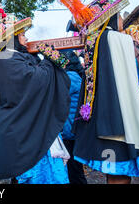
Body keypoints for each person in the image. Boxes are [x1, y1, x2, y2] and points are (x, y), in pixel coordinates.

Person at [55, 0, 139, 184]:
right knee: (121, 171)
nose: (123, 20)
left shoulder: (92, 42)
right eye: (119, 15)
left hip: (99, 117)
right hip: (120, 117)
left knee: (113, 169)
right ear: (112, 18)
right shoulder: (119, 40)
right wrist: (135, 45)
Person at [0, 17, 71, 184]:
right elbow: (35, 80)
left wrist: (48, 58)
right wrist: (49, 60)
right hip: (22, 128)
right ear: (12, 39)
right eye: (22, 35)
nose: (26, 39)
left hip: (33, 125)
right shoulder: (6, 57)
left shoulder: (18, 57)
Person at [61, 50, 87, 184]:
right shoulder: (75, 76)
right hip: (72, 128)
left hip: (69, 129)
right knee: (74, 168)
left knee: (74, 170)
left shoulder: (70, 77)